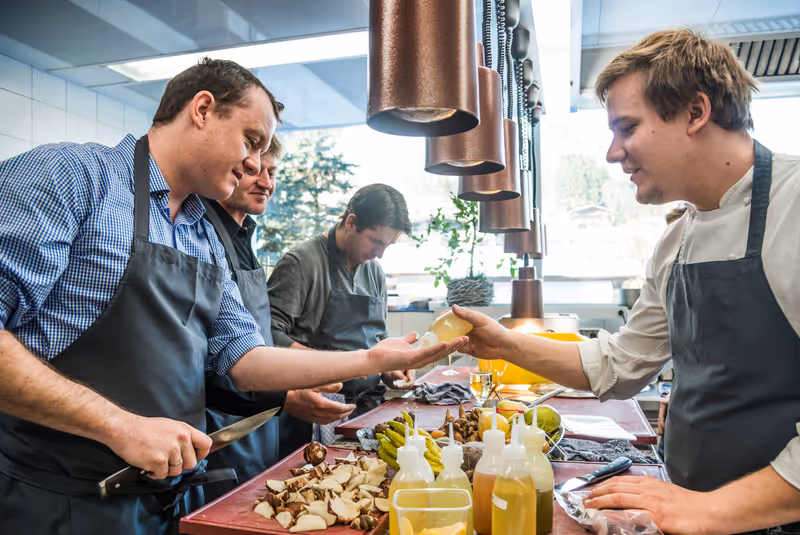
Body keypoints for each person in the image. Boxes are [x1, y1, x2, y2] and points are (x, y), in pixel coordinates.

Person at [0, 58, 463, 535]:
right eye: (252, 141)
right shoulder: (73, 178)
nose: (256, 164)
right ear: (202, 110)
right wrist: (120, 426)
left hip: (169, 500)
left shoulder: (204, 236)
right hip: (62, 500)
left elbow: (248, 360)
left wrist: (372, 359)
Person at [452, 30, 800, 534]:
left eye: (627, 127)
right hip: (687, 504)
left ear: (695, 112)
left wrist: (709, 510)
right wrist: (503, 343)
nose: (614, 153)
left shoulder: (793, 205)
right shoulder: (677, 237)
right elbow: (622, 366)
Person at [200, 135, 355, 502]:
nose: (266, 182)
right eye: (252, 170)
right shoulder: (202, 238)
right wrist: (285, 393)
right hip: (221, 421)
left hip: (261, 420)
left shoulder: (244, 237)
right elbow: (207, 350)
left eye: (271, 172)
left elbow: (259, 338)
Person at [268, 184, 414, 453]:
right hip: (315, 412)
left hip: (367, 409)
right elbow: (269, 335)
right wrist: (338, 364)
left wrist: (389, 367)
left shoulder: (375, 272)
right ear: (351, 222)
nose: (380, 254)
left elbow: (377, 337)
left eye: (388, 245)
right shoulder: (302, 261)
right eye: (376, 241)